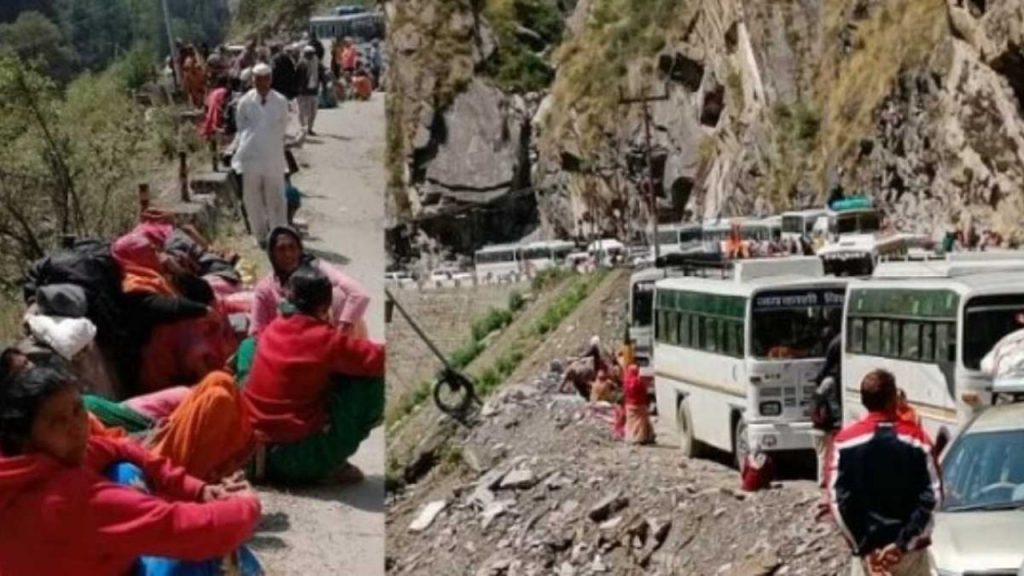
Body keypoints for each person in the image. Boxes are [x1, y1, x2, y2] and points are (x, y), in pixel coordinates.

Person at [0, 366, 262, 574]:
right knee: (209, 551)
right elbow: (184, 528)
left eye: (78, 410)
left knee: (123, 470)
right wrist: (246, 505)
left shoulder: (21, 467)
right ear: (25, 438)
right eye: (58, 422)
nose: (77, 427)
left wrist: (200, 490)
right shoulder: (67, 497)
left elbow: (116, 447)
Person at [240, 265, 385, 484]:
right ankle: (328, 463)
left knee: (249, 348)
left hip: (251, 451)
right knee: (372, 380)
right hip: (297, 460)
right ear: (326, 305)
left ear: (290, 297)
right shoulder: (326, 340)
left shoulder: (272, 328)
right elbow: (378, 359)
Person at [825, 369, 941, 576]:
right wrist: (902, 544)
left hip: (869, 560)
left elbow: (837, 502)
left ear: (863, 401)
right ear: (892, 399)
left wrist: (865, 548)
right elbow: (933, 497)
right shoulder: (918, 440)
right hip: (910, 556)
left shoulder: (844, 443)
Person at [250, 227, 370, 338]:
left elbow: (359, 294)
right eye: (281, 249)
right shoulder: (265, 289)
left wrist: (342, 329)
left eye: (292, 247)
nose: (288, 254)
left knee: (340, 297)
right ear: (272, 254)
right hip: (286, 346)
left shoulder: (317, 269)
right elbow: (256, 331)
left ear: (300, 250)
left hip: (325, 340)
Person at [232, 63, 290, 246]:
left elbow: (283, 127)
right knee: (252, 198)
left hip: (273, 156)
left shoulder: (280, 101)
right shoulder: (245, 102)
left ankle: (279, 234)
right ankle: (261, 236)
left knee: (277, 198)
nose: (262, 84)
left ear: (271, 80)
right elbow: (241, 129)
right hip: (251, 158)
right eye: (258, 80)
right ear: (253, 81)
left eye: (266, 79)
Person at [811, 328, 842, 486]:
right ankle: (823, 482)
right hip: (824, 428)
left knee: (823, 454)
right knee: (825, 454)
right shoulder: (831, 383)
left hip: (818, 427)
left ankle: (824, 481)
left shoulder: (821, 390)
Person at [622, 365, 654, 444]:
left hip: (629, 405)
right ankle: (640, 438)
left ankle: (631, 437)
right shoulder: (639, 382)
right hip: (640, 405)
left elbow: (625, 393)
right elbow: (644, 392)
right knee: (640, 422)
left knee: (631, 422)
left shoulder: (626, 381)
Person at [296, 45, 324, 135]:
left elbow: (322, 73)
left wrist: (324, 83)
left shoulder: (317, 63)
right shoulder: (301, 63)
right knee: (303, 111)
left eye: (312, 54)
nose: (310, 56)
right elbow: (297, 77)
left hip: (314, 90)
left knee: (313, 111)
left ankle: (310, 128)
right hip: (303, 92)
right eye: (308, 54)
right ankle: (303, 127)